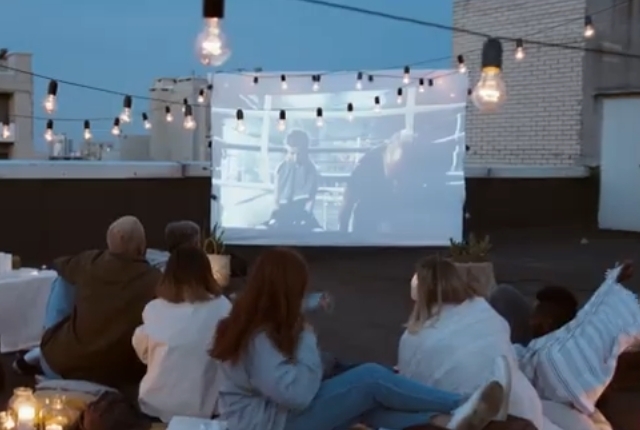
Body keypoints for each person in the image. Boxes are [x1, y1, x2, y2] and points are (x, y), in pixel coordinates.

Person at [210, 247, 507, 430]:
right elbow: (297, 395)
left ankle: (446, 422)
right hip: (272, 424)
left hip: (273, 418)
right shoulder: (258, 338)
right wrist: (306, 337)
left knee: (366, 400)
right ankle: (460, 403)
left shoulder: (256, 321)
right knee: (370, 379)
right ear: (287, 290)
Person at [13, 219, 200, 376]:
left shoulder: (88, 262)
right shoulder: (155, 280)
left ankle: (43, 347)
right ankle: (40, 351)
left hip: (62, 366)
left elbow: (59, 264)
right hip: (118, 375)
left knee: (63, 280)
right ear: (142, 246)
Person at [397, 256, 551, 430]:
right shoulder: (483, 310)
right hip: (526, 410)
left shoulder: (413, 337)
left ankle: (466, 408)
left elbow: (408, 390)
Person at [133, 246, 232, 422]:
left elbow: (144, 353)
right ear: (207, 273)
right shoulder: (223, 308)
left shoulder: (154, 309)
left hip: (155, 407)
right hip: (205, 411)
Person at [339, 129, 441, 235]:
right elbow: (347, 203)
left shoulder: (421, 166)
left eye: (402, 178)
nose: (397, 184)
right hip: (367, 226)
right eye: (395, 178)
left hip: (403, 226)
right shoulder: (366, 166)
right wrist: (343, 236)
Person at [266, 130, 321, 231]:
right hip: (282, 211)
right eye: (292, 153)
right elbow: (276, 199)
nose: (295, 158)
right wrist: (276, 216)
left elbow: (310, 199)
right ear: (287, 150)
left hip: (302, 212)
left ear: (305, 151)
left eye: (299, 154)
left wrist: (305, 217)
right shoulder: (281, 169)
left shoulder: (311, 170)